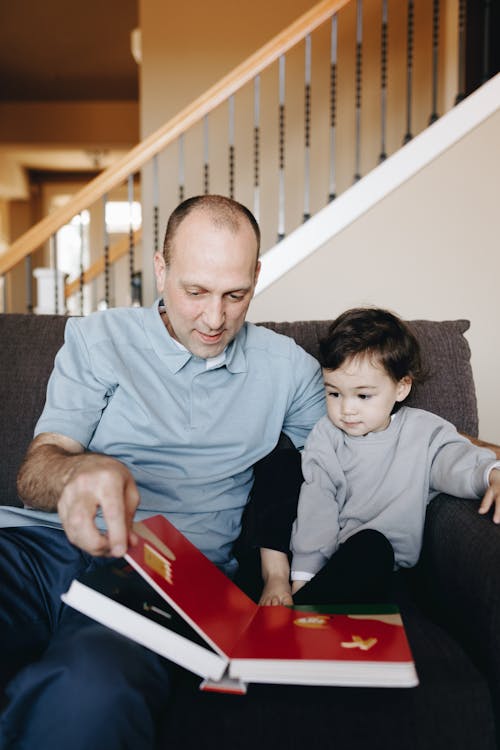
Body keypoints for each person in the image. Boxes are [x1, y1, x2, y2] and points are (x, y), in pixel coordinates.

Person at [0, 195, 326, 750]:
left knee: (90, 694)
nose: (214, 318)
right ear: (160, 269)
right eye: (194, 291)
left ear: (256, 277)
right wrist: (81, 472)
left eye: (236, 294)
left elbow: (366, 443)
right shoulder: (98, 339)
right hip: (43, 549)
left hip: (164, 580)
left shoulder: (290, 370)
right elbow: (36, 472)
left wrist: (479, 460)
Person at [285, 307, 500, 605]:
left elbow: (455, 459)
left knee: (373, 545)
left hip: (392, 570)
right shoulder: (326, 436)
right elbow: (316, 506)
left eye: (362, 396)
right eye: (334, 393)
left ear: (401, 387)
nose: (346, 409)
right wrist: (303, 578)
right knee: (360, 550)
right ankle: (308, 609)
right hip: (336, 566)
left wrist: (491, 473)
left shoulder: (422, 431)